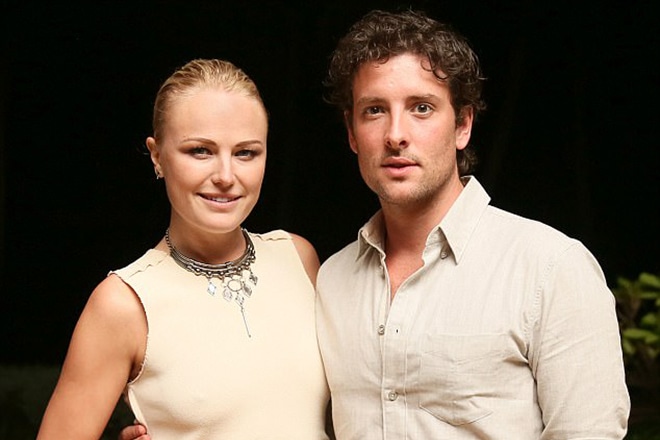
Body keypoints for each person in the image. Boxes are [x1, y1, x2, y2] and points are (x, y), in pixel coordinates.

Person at [315, 9, 630, 439]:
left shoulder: (550, 267)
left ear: (462, 125)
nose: (395, 134)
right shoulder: (332, 279)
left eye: (421, 108)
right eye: (374, 110)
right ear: (352, 133)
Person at [37, 59, 330, 439]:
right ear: (157, 155)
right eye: (200, 151)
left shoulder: (298, 257)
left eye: (245, 153)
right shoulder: (123, 303)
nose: (226, 176)